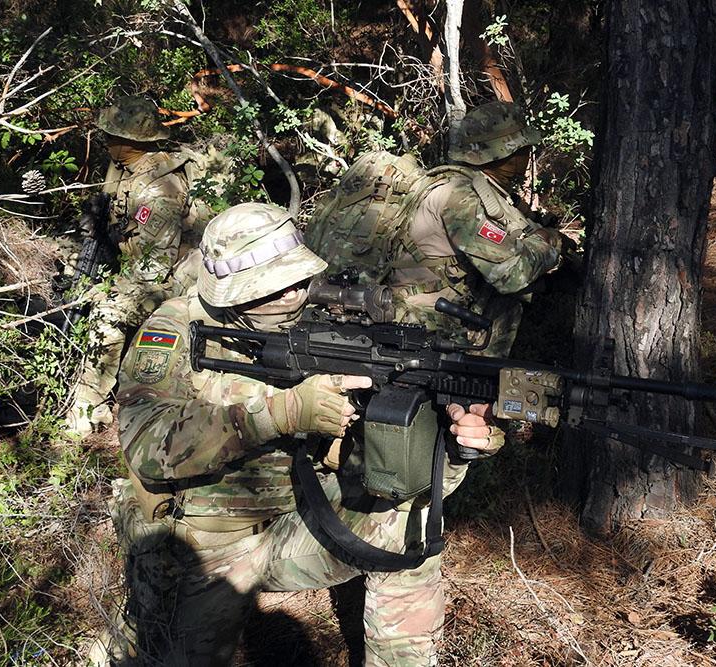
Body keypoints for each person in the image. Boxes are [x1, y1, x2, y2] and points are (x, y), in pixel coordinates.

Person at [98, 202, 506, 666]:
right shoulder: (176, 330)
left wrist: (452, 448)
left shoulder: (317, 321)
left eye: (299, 279)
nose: (294, 295)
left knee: (410, 525)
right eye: (276, 286)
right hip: (205, 547)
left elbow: (376, 467)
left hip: (298, 519)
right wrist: (282, 412)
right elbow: (147, 446)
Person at [305, 100, 576, 356]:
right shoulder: (460, 197)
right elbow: (513, 274)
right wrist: (549, 241)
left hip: (403, 315)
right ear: (508, 153)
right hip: (420, 327)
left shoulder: (459, 184)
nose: (529, 154)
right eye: (524, 149)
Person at [65, 95, 214, 438]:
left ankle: (88, 411)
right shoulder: (127, 169)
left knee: (107, 313)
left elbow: (153, 268)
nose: (104, 141)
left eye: (110, 135)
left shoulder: (158, 189)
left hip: (178, 278)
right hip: (145, 265)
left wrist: (104, 292)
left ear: (129, 141)